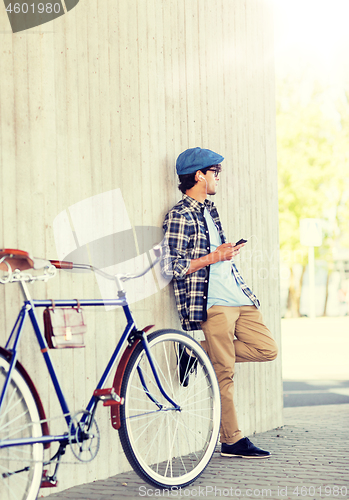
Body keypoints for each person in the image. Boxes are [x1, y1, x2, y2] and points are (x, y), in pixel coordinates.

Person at [162, 147, 278, 458]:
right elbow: (172, 266)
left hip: (239, 296)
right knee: (224, 371)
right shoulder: (179, 215)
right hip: (213, 303)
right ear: (199, 175)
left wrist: (225, 253)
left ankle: (197, 350)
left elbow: (215, 256)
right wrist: (216, 256)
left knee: (268, 349)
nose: (218, 177)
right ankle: (232, 440)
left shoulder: (210, 210)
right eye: (216, 171)